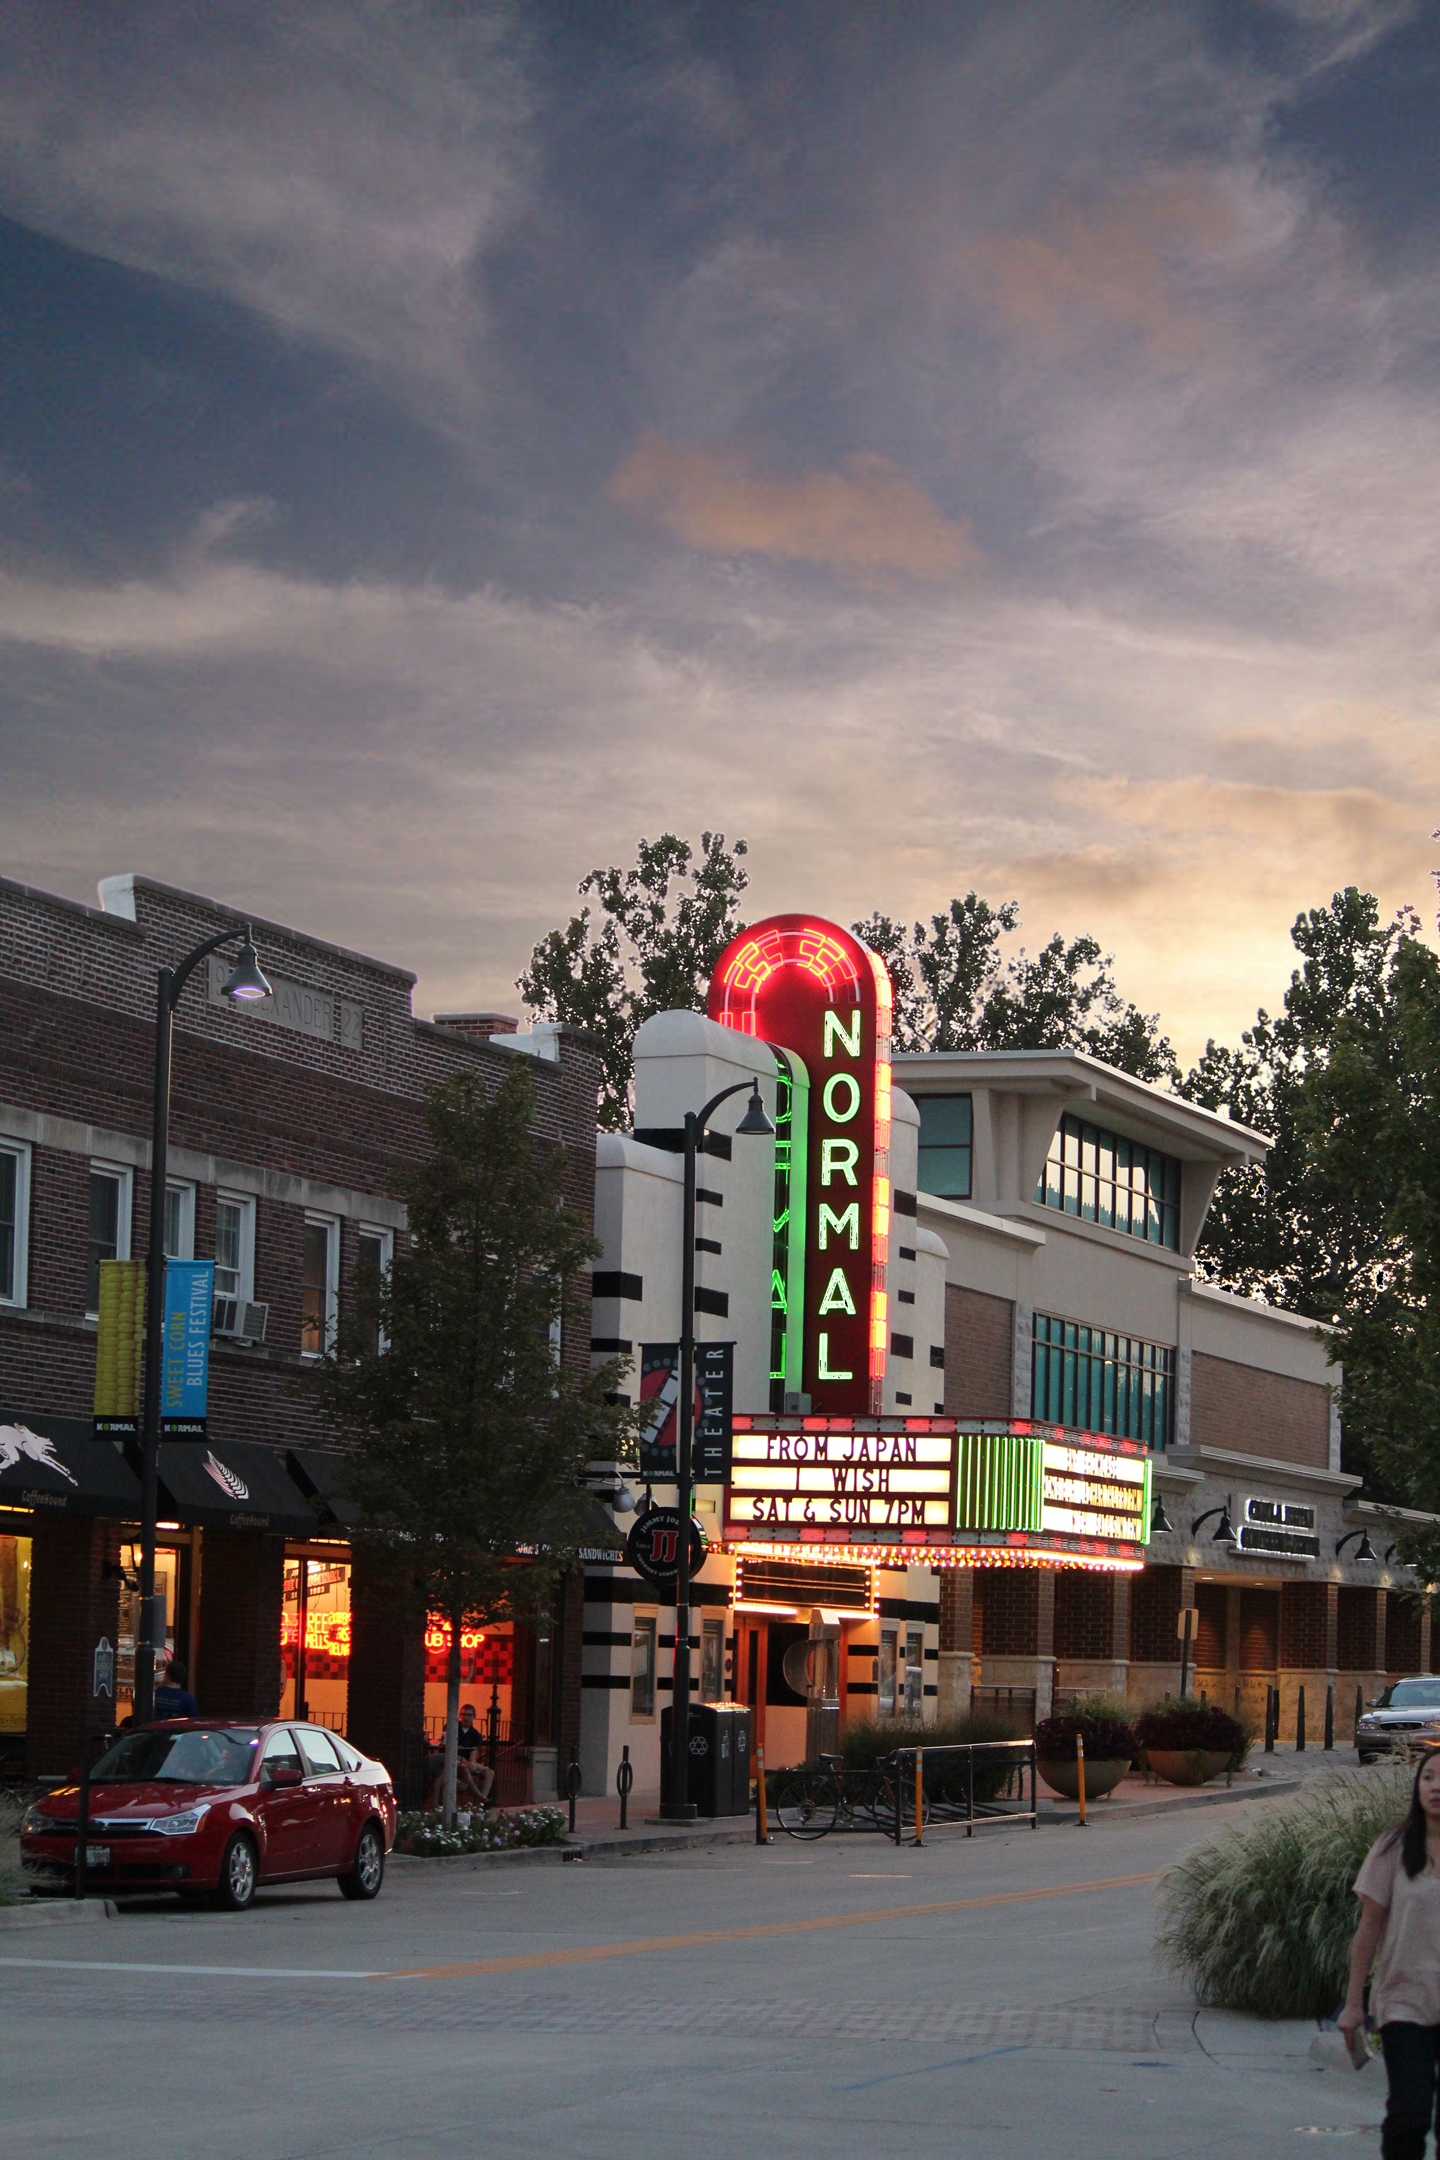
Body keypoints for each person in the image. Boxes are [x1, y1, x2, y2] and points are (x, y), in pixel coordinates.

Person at [1342, 1748, 1440, 2157]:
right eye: (1429, 1777)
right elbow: (1368, 1929)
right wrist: (1352, 2005)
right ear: (1418, 1788)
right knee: (1410, 2115)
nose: (1436, 1787)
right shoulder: (1393, 1848)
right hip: (1404, 2002)